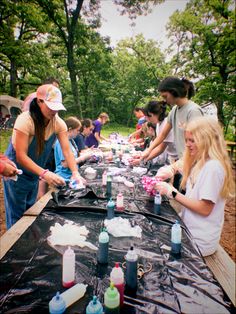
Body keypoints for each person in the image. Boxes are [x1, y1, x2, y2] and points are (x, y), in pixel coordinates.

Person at [3, 84, 85, 229]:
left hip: (34, 173)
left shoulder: (58, 123)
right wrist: (45, 173)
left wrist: (75, 172)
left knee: (29, 209)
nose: (54, 111)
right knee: (16, 215)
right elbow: (21, 156)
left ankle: (26, 241)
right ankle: (15, 248)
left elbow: (67, 151)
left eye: (57, 107)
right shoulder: (25, 120)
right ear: (39, 102)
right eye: (50, 106)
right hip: (16, 172)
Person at [155, 117, 235, 257]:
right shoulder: (202, 160)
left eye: (192, 140)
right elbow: (181, 163)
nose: (187, 144)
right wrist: (170, 169)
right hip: (190, 230)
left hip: (199, 241)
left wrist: (172, 192)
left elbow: (204, 209)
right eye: (186, 140)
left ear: (207, 140)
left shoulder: (213, 168)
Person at [142, 77, 203, 162]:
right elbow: (163, 134)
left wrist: (174, 167)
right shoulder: (174, 110)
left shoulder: (193, 111)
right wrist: (148, 150)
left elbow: (197, 143)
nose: (164, 100)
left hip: (193, 162)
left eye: (165, 96)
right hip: (183, 161)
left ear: (174, 91)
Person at [144, 100, 178, 166]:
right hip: (174, 157)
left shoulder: (166, 123)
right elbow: (157, 146)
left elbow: (160, 148)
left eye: (149, 116)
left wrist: (144, 159)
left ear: (158, 113)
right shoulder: (158, 124)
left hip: (179, 157)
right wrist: (143, 156)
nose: (147, 119)